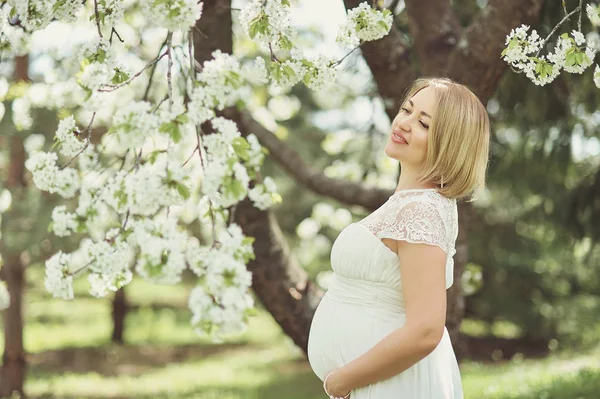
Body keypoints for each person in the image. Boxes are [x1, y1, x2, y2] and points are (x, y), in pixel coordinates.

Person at [306, 77, 490, 399]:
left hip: (391, 385)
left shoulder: (423, 210)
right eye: (407, 109)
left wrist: (342, 380)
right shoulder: (410, 203)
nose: (404, 123)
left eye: (423, 123)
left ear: (448, 144)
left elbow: (425, 330)